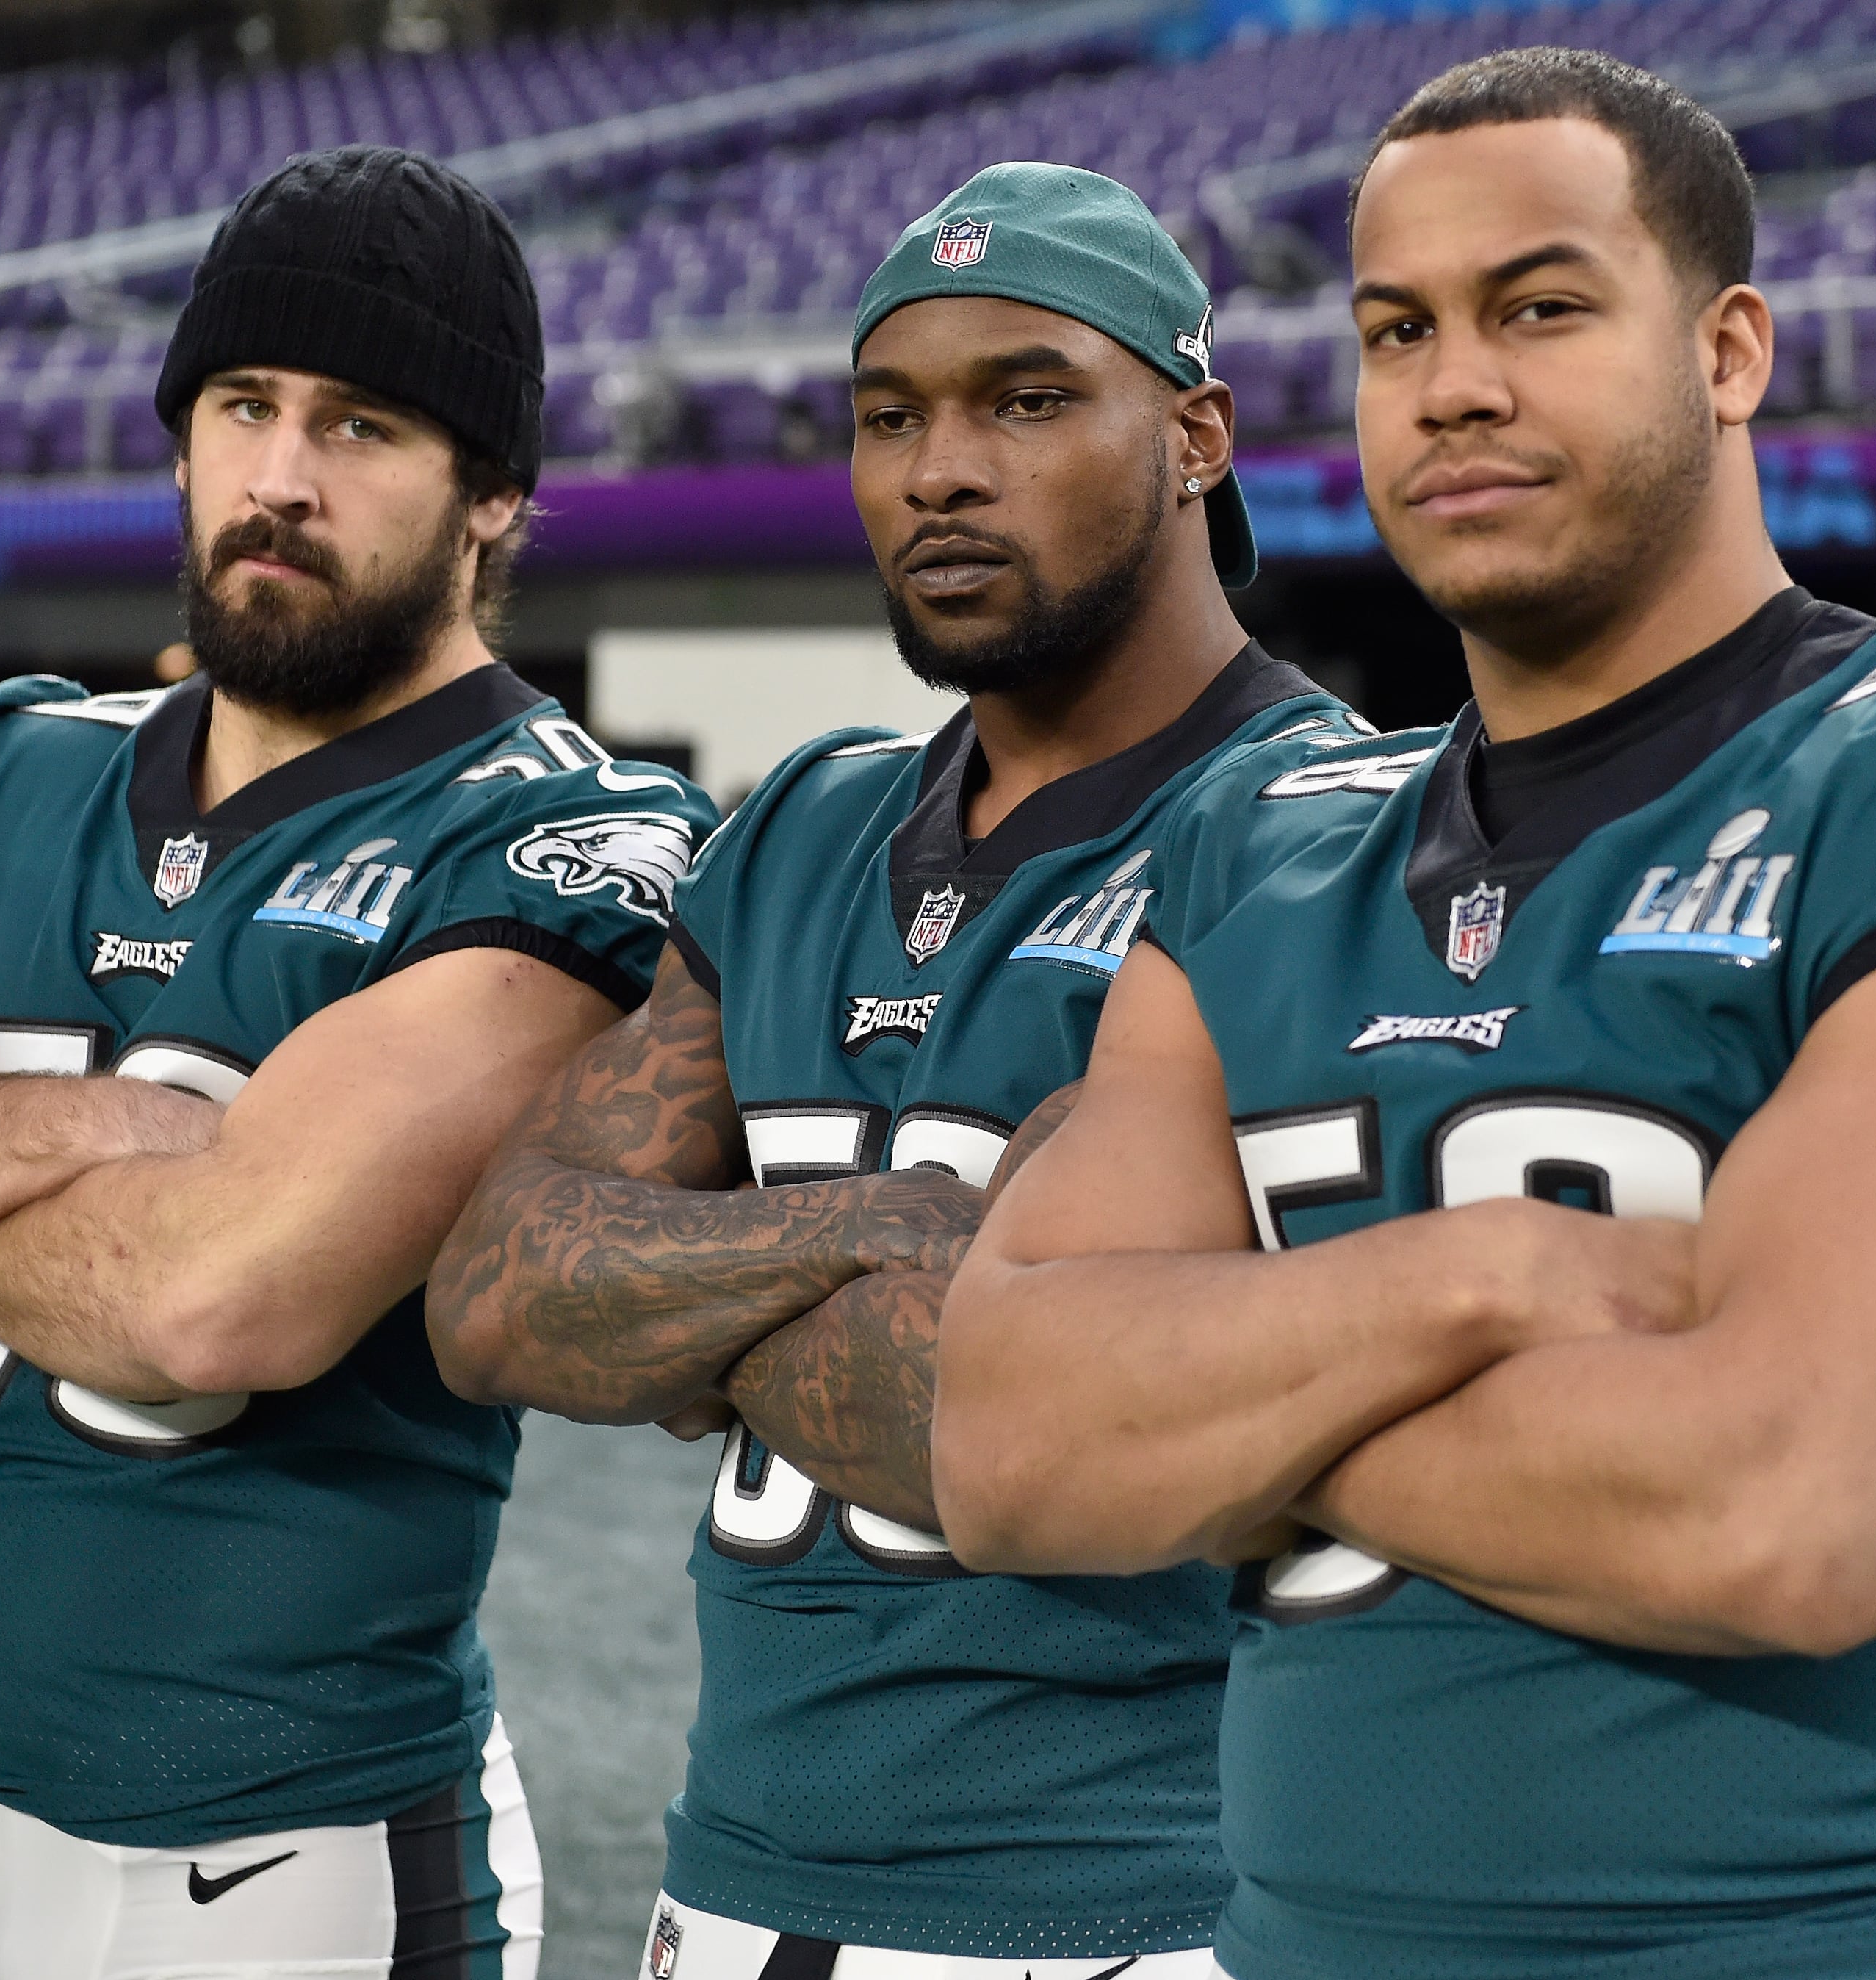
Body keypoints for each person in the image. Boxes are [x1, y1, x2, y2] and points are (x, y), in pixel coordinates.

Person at [937, 50, 1876, 1980]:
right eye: (1397, 329)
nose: (1455, 381)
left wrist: (1211, 1408)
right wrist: (1480, 1280)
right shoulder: (1264, 835)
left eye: (1539, 305)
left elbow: (1794, 1503)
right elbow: (1007, 1452)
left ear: (1727, 349)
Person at [0, 144, 715, 1980]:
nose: (280, 478)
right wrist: (101, 1128)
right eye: (243, 405)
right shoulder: (31, 764)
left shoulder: (560, 842)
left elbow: (215, 1306)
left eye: (364, 426)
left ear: (495, 501)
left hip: (295, 1868)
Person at [431, 165, 1381, 1980]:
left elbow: (1025, 1416)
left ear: (1195, 438)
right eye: (890, 417)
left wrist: (686, 1298)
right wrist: (884, 1228)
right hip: (731, 1888)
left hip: (1131, 1907)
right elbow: (489, 1295)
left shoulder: (1317, 832)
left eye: (1026, 399)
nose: (939, 468)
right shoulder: (801, 823)